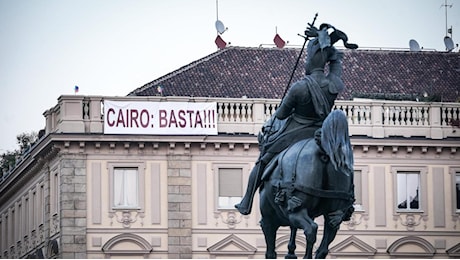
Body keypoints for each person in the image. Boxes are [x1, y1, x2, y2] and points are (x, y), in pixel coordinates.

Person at [235, 23, 356, 215]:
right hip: (319, 131)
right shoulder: (333, 84)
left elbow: (281, 114)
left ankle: (246, 200)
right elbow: (337, 64)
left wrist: (270, 124)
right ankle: (348, 199)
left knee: (263, 161)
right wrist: (331, 51)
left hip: (295, 131)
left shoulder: (299, 87)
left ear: (309, 62)